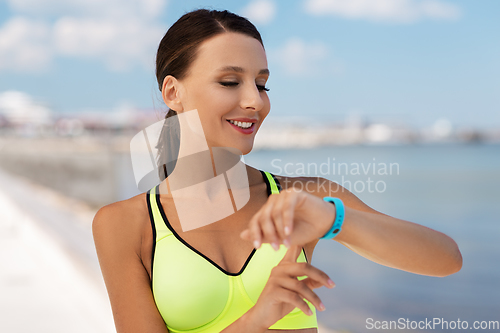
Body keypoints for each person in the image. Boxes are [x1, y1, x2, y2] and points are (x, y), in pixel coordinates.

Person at [92, 9, 463, 333]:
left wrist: (335, 219)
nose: (255, 100)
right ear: (173, 92)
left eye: (262, 83)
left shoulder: (303, 198)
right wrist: (256, 320)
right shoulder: (124, 225)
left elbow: (447, 259)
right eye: (230, 82)